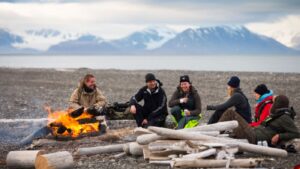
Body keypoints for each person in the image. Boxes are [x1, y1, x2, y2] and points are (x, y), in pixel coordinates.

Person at [218, 95, 300, 146]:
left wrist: (279, 136)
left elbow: (296, 133)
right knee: (231, 120)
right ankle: (217, 132)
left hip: (254, 137)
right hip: (253, 132)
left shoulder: (285, 117)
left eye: (275, 102)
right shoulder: (276, 114)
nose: (273, 104)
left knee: (230, 113)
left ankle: (216, 132)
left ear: (279, 103)